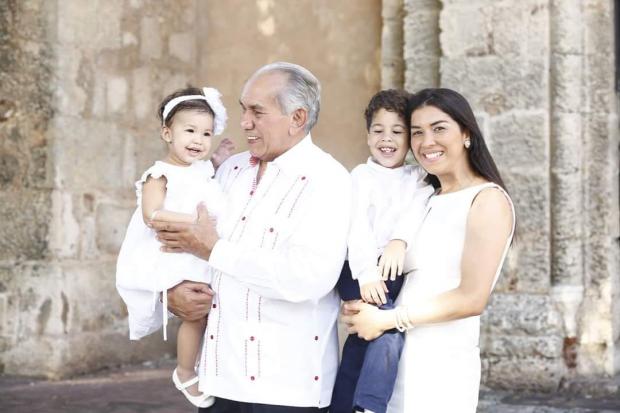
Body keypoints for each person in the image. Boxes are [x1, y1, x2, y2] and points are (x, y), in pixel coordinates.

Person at [151, 62, 352, 412]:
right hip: (217, 379)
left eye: (257, 111)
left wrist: (215, 250)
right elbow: (181, 245)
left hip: (286, 390)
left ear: (298, 118)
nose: (244, 122)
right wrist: (171, 293)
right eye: (244, 109)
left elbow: (306, 279)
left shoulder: (329, 180)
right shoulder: (230, 168)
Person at [342, 88, 515, 412]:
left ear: (466, 133)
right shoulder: (424, 198)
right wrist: (361, 308)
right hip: (392, 365)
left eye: (439, 128)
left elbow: (471, 298)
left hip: (439, 370)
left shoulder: (486, 200)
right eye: (417, 132)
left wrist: (388, 320)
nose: (426, 141)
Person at [116, 86, 233, 408]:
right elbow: (151, 213)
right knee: (194, 315)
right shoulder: (160, 174)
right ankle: (184, 370)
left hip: (203, 251)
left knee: (212, 313)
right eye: (190, 131)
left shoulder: (201, 169)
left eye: (206, 133)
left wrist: (220, 159)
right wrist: (192, 223)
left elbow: (210, 175)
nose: (199, 140)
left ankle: (206, 367)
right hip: (178, 253)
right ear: (168, 133)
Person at [331, 90, 431, 413]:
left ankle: (343, 406)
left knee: (363, 342)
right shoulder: (360, 177)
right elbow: (355, 226)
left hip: (391, 268)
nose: (387, 139)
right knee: (388, 330)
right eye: (378, 130)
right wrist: (366, 274)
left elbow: (417, 210)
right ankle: (371, 405)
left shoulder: (417, 178)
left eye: (397, 132)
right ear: (367, 135)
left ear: (410, 139)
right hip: (359, 268)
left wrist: (399, 241)